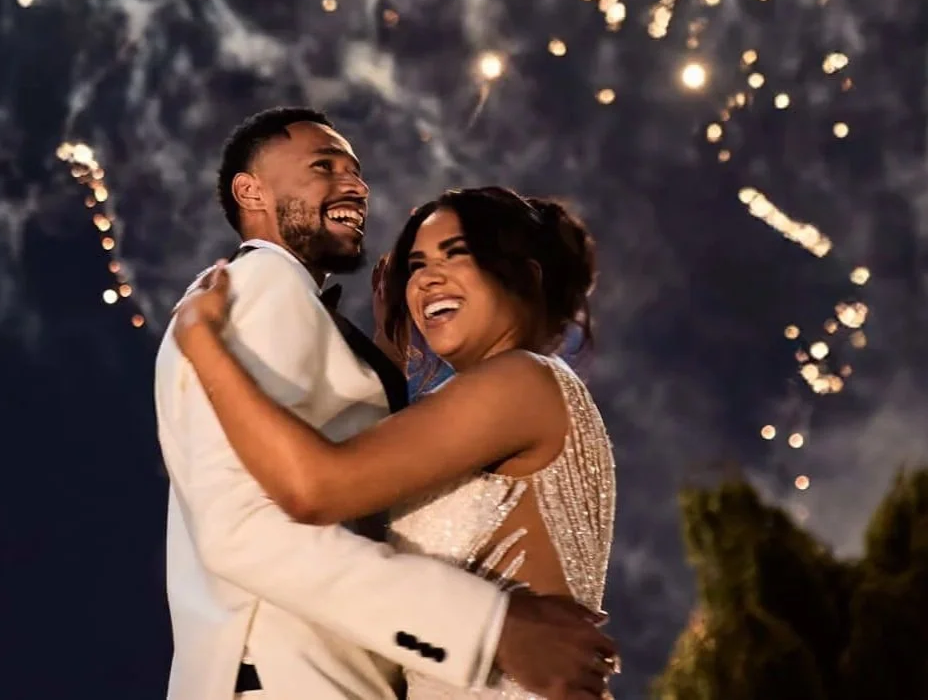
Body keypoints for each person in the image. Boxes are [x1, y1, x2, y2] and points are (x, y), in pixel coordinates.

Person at [155, 106, 616, 700]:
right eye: (324, 166)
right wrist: (487, 625)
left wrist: (376, 377)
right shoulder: (261, 285)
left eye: (456, 254)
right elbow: (250, 522)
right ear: (251, 190)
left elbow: (334, 489)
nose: (356, 185)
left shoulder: (522, 385)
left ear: (521, 276)